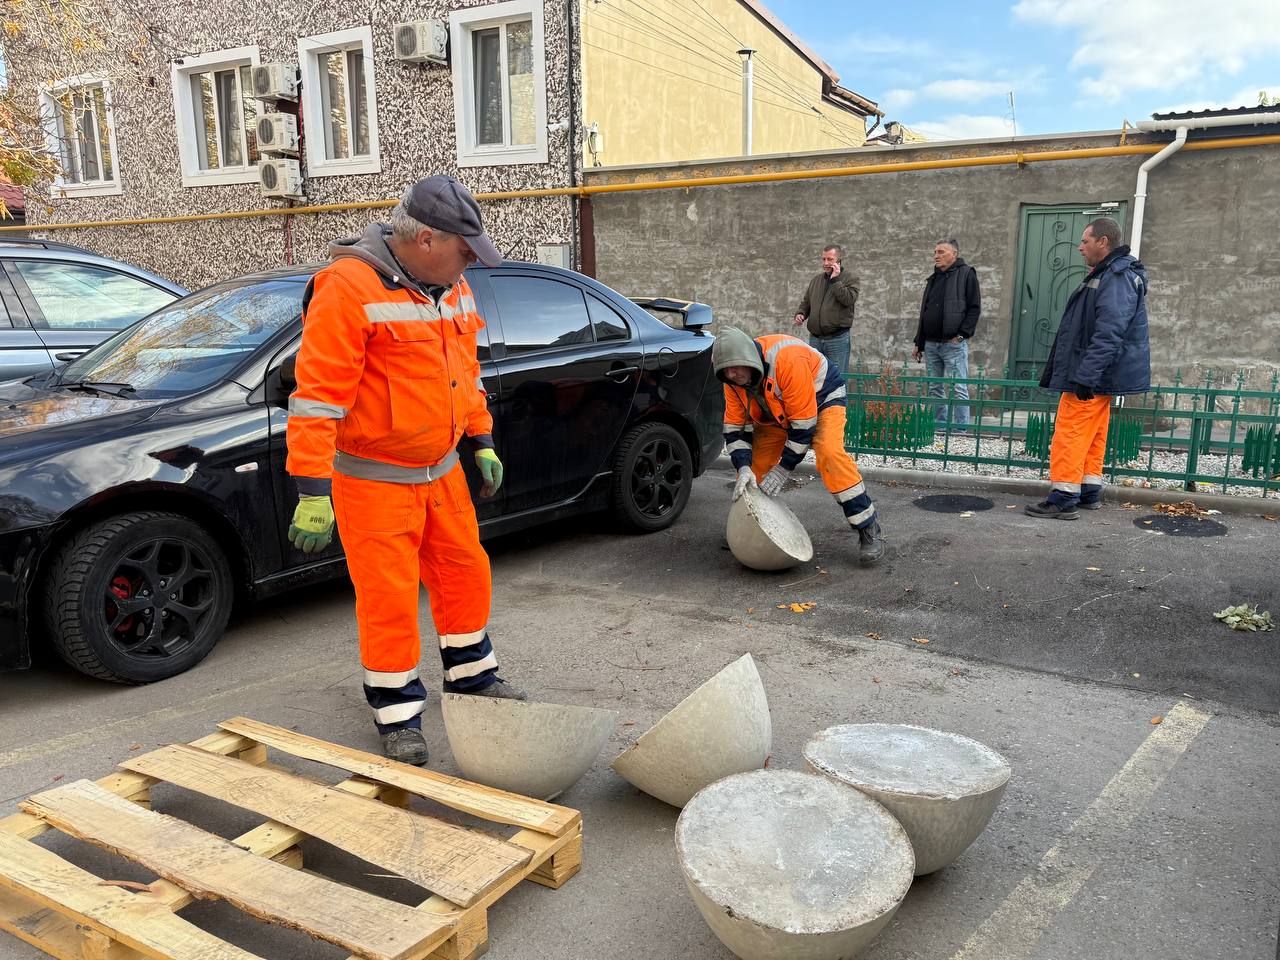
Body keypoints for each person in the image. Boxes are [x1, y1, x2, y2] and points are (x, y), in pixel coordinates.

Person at [284, 175, 526, 766]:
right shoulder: (347, 287)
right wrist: (312, 490)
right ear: (424, 240)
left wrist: (482, 437)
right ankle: (397, 714)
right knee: (388, 598)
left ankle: (472, 679)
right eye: (463, 250)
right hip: (373, 480)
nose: (470, 263)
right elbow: (317, 397)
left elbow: (463, 376)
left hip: (440, 471)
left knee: (465, 572)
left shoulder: (454, 287)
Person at [714, 326, 884, 565]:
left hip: (822, 399)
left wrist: (784, 468)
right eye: (725, 371)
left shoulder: (788, 360)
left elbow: (803, 427)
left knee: (830, 454)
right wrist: (743, 467)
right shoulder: (731, 382)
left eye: (734, 367)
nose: (731, 374)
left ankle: (868, 526)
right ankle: (748, 529)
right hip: (777, 412)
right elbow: (735, 428)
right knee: (756, 467)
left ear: (747, 357)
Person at [1026, 217, 1149, 519]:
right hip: (1101, 372)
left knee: (1070, 431)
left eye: (1085, 241)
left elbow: (1109, 332)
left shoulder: (1115, 277)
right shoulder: (1113, 274)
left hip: (1091, 372)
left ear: (1103, 242)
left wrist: (1086, 375)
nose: (1080, 247)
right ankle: (1088, 490)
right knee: (1093, 432)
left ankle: (1062, 498)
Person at [912, 238, 980, 429]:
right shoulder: (934, 278)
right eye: (935, 252)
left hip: (954, 344)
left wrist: (961, 336)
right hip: (932, 344)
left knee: (958, 387)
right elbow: (924, 312)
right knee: (935, 387)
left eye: (941, 252)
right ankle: (939, 426)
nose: (936, 256)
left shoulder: (966, 274)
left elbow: (974, 309)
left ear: (954, 254)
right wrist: (919, 342)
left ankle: (961, 429)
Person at [793, 244, 859, 379]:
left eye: (830, 259)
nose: (826, 263)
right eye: (823, 259)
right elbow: (807, 302)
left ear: (838, 261)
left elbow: (848, 300)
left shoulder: (850, 278)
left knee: (837, 380)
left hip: (837, 340)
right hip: (816, 339)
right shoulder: (816, 280)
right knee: (816, 379)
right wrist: (801, 313)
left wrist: (835, 280)